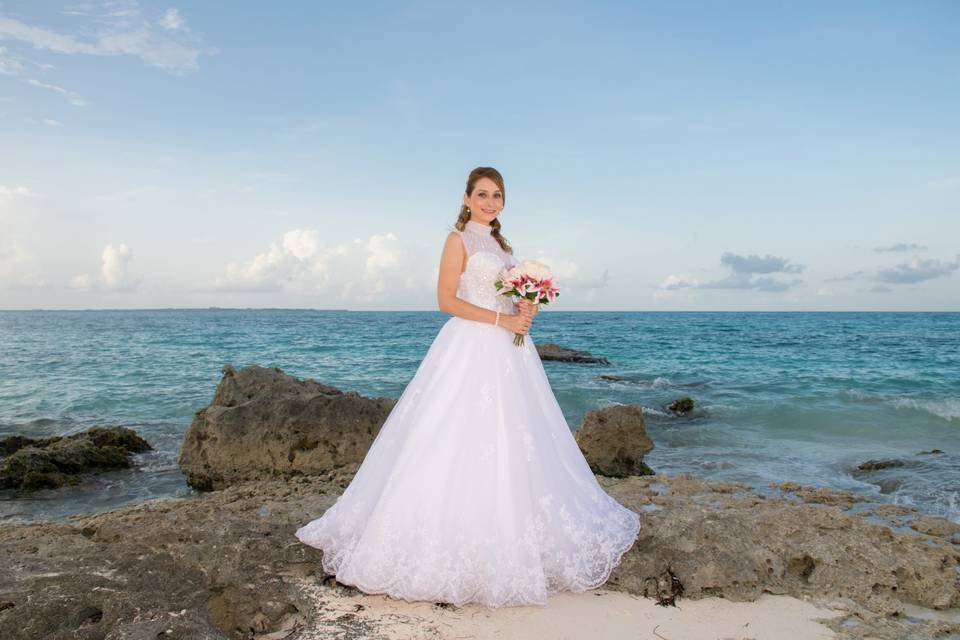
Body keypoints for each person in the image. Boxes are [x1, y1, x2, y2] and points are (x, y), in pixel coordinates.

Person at [295, 167, 640, 609]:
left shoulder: (501, 245)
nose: (490, 202)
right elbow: (446, 301)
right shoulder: (456, 241)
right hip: (471, 343)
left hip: (510, 349)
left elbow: (509, 295)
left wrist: (524, 305)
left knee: (518, 434)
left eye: (497, 195)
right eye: (483, 194)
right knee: (450, 433)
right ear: (467, 197)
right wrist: (502, 319)